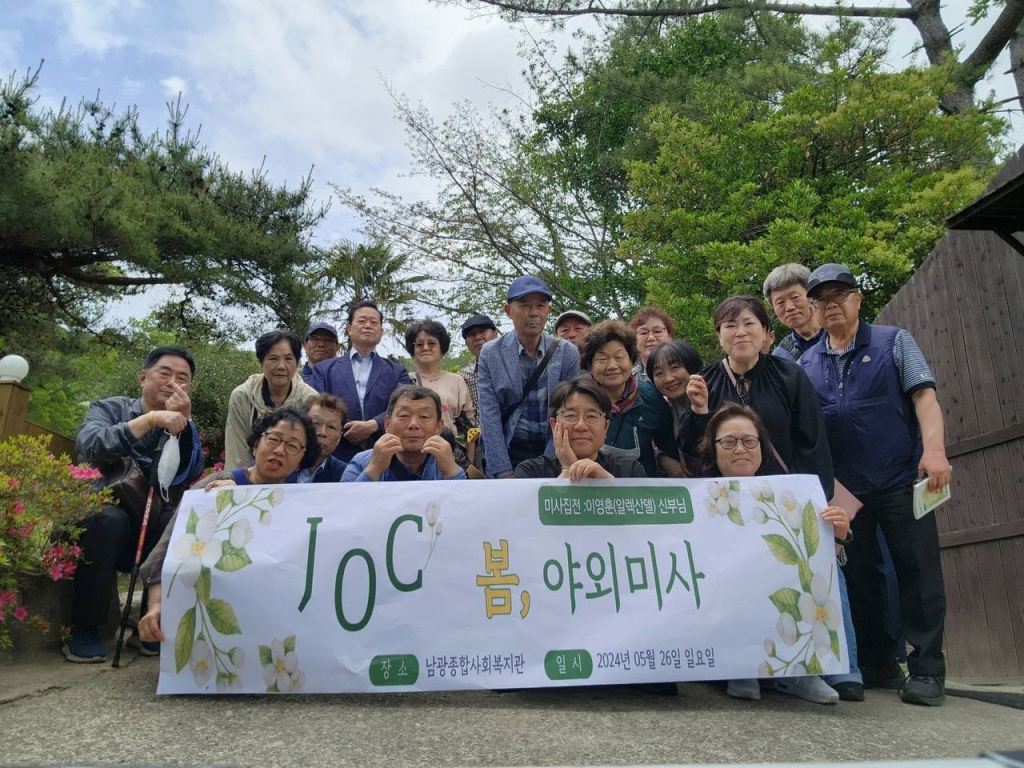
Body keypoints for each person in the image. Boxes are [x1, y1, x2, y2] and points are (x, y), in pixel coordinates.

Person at [799, 263, 952, 707]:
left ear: (857, 299)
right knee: (858, 574)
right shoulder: (806, 363)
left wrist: (935, 450)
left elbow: (924, 396)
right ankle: (879, 662)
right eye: (821, 299)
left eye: (839, 295)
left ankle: (927, 669)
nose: (831, 305)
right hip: (846, 490)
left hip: (903, 475)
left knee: (918, 570)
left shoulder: (893, 341)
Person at [700, 403, 859, 704]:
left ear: (762, 447)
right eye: (728, 441)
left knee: (809, 570)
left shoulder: (794, 494)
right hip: (725, 601)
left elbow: (821, 550)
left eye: (749, 441)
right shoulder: (699, 495)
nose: (740, 449)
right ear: (713, 448)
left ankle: (800, 672)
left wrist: (840, 532)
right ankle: (740, 666)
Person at [63, 347, 205, 662]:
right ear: (143, 377)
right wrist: (150, 420)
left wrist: (185, 423)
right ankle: (85, 627)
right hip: (98, 522)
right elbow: (91, 446)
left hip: (147, 524)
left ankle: (149, 625)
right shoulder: (109, 408)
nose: (172, 383)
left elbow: (190, 472)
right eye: (164, 373)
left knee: (172, 520)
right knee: (110, 520)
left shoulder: (184, 423)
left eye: (182, 378)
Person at [137, 407, 319, 644]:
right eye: (273, 439)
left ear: (300, 463)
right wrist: (157, 607)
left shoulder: (299, 505)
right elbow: (166, 552)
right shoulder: (212, 489)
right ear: (255, 445)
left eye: (293, 446)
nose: (280, 450)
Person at [679, 295, 834, 498]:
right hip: (728, 499)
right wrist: (699, 411)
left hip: (785, 495)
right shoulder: (704, 381)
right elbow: (693, 450)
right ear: (719, 335)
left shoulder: (789, 375)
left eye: (749, 323)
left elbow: (813, 441)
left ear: (765, 332)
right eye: (730, 325)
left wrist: (813, 495)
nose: (740, 332)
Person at [477, 275, 580, 477]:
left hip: (552, 448)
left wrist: (551, 463)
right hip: (510, 448)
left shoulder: (567, 353)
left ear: (548, 311)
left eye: (540, 306)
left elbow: (568, 412)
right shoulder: (491, 353)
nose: (533, 313)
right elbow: (489, 416)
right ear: (508, 311)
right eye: (524, 305)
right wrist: (503, 472)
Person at [310, 300, 412, 462]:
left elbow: (405, 406)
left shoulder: (397, 371)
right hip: (336, 453)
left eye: (373, 322)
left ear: (381, 331)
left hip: (386, 452)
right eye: (362, 321)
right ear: (349, 328)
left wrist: (373, 425)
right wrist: (350, 429)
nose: (368, 326)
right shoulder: (323, 369)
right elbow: (317, 407)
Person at [579, 320, 680, 478]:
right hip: (591, 487)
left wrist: (664, 459)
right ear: (590, 367)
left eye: (619, 357)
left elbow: (668, 446)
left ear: (631, 360)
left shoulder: (652, 397)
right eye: (602, 359)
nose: (612, 365)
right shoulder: (577, 399)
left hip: (642, 488)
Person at [514, 379, 645, 480]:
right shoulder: (530, 472)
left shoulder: (630, 470)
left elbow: (638, 514)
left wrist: (606, 482)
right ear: (554, 425)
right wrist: (567, 470)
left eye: (591, 416)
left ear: (605, 427)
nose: (581, 426)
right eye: (570, 416)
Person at [225, 330, 317, 471]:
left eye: (288, 359)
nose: (281, 366)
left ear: (297, 362)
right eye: (273, 359)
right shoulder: (242, 396)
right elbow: (237, 452)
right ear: (260, 363)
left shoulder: (310, 400)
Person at [342, 386, 467, 482]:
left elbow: (466, 510)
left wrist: (451, 472)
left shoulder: (445, 463)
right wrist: (374, 468)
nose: (413, 424)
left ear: (438, 427)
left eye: (424, 416)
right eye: (404, 416)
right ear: (387, 424)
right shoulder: (362, 462)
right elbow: (343, 508)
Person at [406, 319, 475, 435]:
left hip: (450, 449)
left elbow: (470, 424)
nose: (426, 347)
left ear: (441, 348)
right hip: (414, 448)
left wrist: (470, 453)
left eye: (432, 343)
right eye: (419, 344)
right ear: (413, 350)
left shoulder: (456, 381)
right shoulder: (405, 380)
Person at [646, 340, 704, 476]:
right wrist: (663, 460)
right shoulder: (658, 407)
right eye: (659, 373)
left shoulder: (715, 398)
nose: (668, 378)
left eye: (675, 368)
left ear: (692, 367)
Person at [762, 263, 824, 363]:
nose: (789, 307)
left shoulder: (839, 336)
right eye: (780, 302)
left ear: (811, 296)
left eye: (795, 297)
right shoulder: (780, 357)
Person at [286, 394, 348, 483]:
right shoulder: (281, 461)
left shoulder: (344, 474)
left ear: (339, 437)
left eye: (331, 427)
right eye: (315, 423)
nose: (322, 432)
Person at [458, 313, 499, 417]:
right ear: (466, 343)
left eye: (483, 331)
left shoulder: (513, 367)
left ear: (495, 334)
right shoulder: (462, 377)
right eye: (472, 335)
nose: (477, 337)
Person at [628, 306, 676, 380]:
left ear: (670, 336)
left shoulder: (687, 370)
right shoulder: (628, 380)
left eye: (657, 331)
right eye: (643, 333)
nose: (651, 338)